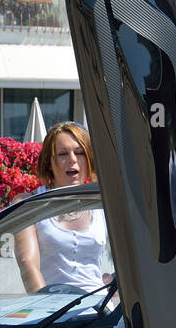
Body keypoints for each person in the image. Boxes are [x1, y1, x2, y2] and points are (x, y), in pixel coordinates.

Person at [13, 121, 111, 292]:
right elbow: (27, 263)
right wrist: (48, 310)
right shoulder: (28, 203)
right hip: (53, 312)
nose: (72, 159)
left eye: (80, 153)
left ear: (88, 159)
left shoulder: (102, 203)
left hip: (99, 311)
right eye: (63, 154)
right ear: (49, 162)